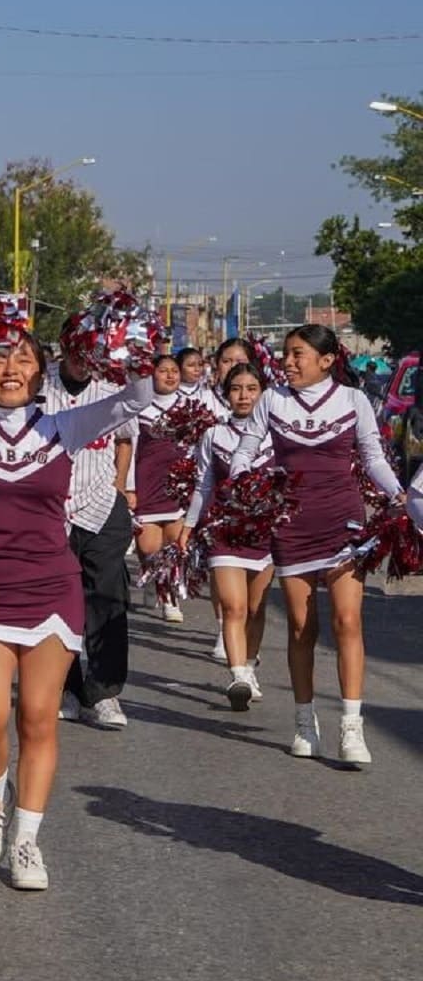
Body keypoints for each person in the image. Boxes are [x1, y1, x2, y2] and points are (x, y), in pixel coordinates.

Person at [0, 330, 151, 891]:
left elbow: (134, 398)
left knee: (37, 719)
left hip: (50, 588)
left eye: (23, 358)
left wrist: (130, 342)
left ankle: (27, 841)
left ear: (43, 373)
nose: (10, 368)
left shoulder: (65, 426)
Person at [230, 324, 403, 764]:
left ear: (326, 360)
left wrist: (396, 494)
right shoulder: (273, 400)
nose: (287, 362)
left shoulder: (352, 399)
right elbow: (245, 450)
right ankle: (305, 722)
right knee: (302, 627)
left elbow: (372, 456)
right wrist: (245, 487)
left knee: (348, 620)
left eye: (297, 354)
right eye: (286, 354)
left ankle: (351, 727)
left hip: (343, 522)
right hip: (292, 524)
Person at [44, 329, 136, 731]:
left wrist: (120, 489)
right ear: (65, 348)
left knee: (107, 596)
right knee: (55, 599)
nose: (86, 359)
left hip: (101, 504)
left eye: (94, 352)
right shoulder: (39, 384)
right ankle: (64, 686)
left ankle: (104, 692)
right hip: (48, 508)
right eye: (79, 350)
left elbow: (125, 440)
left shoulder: (112, 388)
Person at [180, 362, 273, 710]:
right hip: (225, 530)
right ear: (225, 393)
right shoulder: (213, 436)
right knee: (233, 606)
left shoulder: (276, 434)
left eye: (251, 388)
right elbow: (204, 484)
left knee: (255, 606)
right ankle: (237, 676)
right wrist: (189, 525)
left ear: (263, 393)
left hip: (265, 533)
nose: (244, 395)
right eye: (236, 388)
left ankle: (250, 664)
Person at [124, 355, 191, 622]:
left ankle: (169, 598)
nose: (170, 375)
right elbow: (128, 450)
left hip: (179, 488)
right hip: (146, 485)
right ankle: (153, 580)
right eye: (163, 370)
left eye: (174, 370)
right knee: (150, 547)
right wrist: (129, 488)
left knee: (177, 544)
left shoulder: (190, 406)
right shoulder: (138, 407)